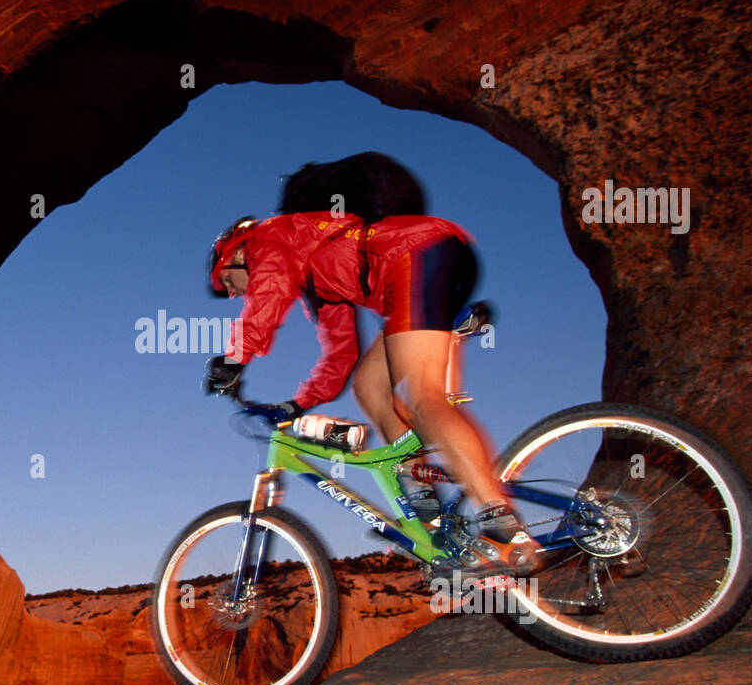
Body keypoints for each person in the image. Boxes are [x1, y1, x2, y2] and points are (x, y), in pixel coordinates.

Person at [203, 152, 536, 574]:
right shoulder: (319, 278)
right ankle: (423, 497)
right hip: (416, 271)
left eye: (227, 283)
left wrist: (235, 358)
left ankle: (498, 519)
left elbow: (268, 293)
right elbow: (339, 353)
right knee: (368, 385)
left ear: (234, 253)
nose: (233, 294)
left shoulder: (269, 238)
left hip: (418, 254)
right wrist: (298, 405)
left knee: (425, 398)